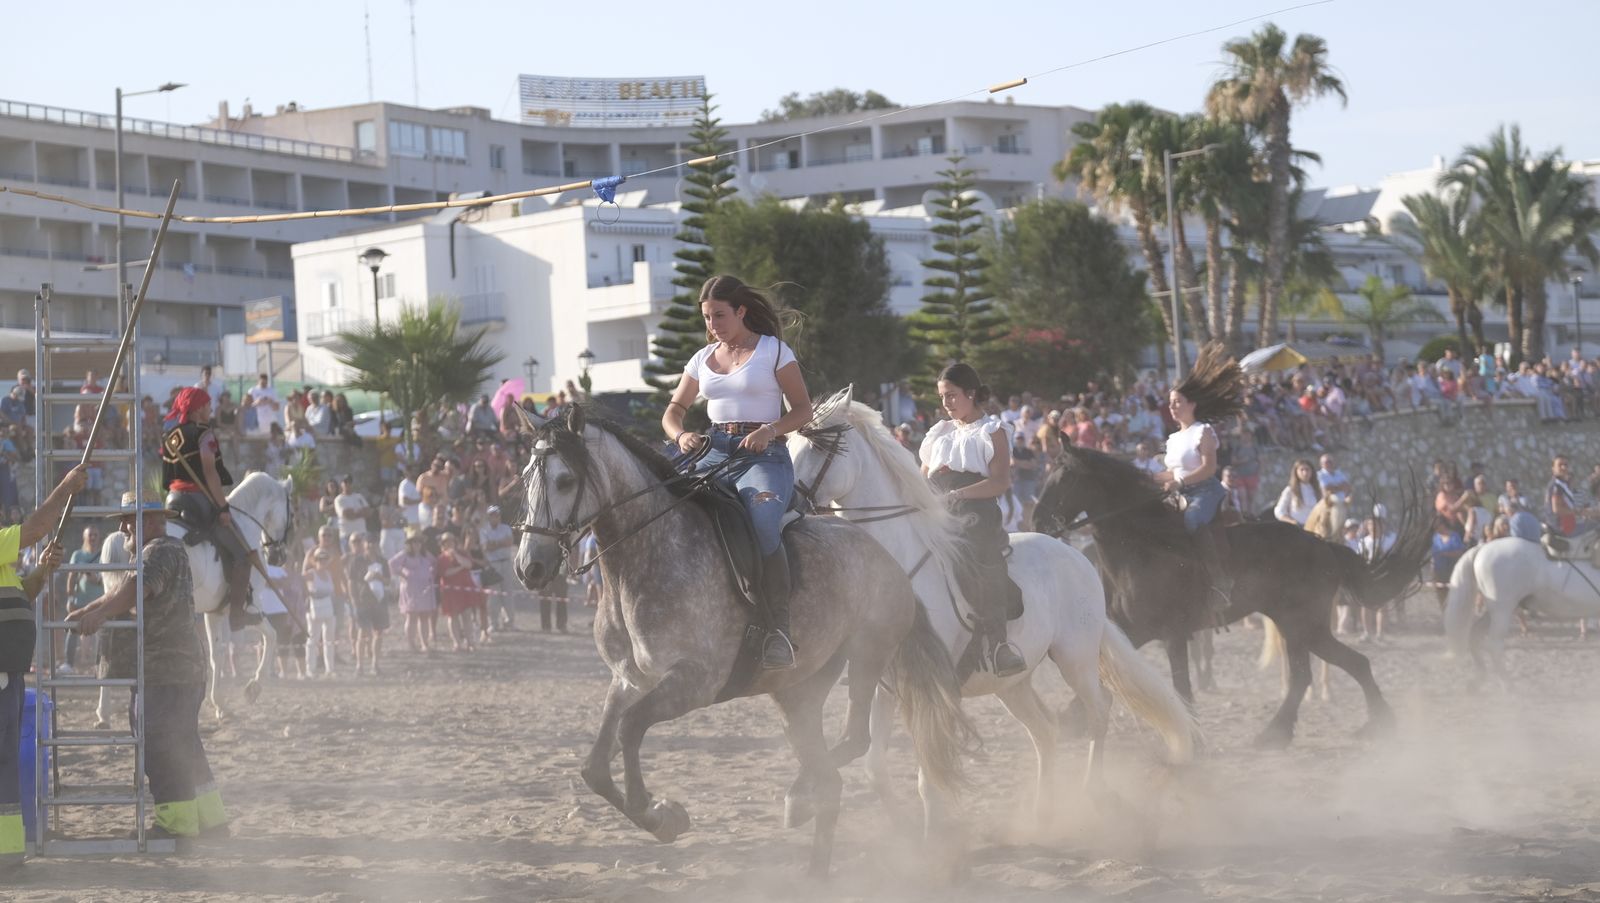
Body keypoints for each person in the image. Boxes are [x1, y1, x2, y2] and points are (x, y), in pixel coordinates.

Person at [662, 275, 814, 670]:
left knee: (763, 524)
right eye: (708, 318)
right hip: (712, 450)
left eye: (720, 315)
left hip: (763, 455)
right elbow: (673, 413)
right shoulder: (700, 359)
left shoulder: (773, 351)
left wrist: (771, 429)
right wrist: (680, 436)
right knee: (665, 511)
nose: (713, 325)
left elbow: (802, 410)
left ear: (741, 311)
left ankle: (777, 626)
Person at [68, 490, 227, 844]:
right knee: (185, 744)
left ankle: (176, 825)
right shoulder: (162, 551)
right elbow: (120, 592)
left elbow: (137, 590)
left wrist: (98, 616)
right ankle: (212, 821)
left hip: (166, 670)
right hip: (180, 668)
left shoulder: (157, 552)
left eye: (130, 520)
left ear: (154, 521)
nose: (123, 527)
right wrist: (86, 611)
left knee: (162, 745)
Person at [917, 362, 1026, 678]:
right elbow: (923, 476)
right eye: (942, 396)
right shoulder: (939, 432)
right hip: (935, 507)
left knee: (980, 556)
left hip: (974, 511)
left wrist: (959, 495)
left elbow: (1000, 482)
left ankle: (998, 643)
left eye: (952, 395)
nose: (946, 403)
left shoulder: (992, 431)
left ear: (971, 393)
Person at [0, 467, 82, 871]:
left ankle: (10, 853)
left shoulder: (3, 565)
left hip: (10, 675)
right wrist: (65, 488)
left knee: (6, 760)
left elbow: (22, 592)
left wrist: (42, 572)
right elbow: (34, 529)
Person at [1152, 343, 1248, 616]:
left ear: (1192, 404)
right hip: (1179, 493)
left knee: (1192, 521)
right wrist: (1149, 478)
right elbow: (1172, 471)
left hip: (1206, 491)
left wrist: (1180, 482)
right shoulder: (1172, 439)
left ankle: (1220, 583)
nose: (1172, 407)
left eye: (1177, 402)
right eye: (1170, 403)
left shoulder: (1202, 431)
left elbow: (1208, 467)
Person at [160, 387, 253, 628]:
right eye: (208, 404)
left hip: (172, 499)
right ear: (199, 408)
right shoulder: (204, 434)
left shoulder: (170, 435)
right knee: (243, 556)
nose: (211, 409)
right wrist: (222, 508)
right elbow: (210, 474)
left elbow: (166, 478)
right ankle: (236, 614)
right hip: (197, 500)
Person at [344, 533, 389, 676]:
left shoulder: (382, 561)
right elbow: (351, 581)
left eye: (374, 543)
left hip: (379, 601)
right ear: (364, 544)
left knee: (378, 633)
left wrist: (379, 577)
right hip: (362, 601)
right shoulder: (357, 561)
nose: (371, 545)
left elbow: (388, 581)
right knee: (362, 634)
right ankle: (360, 666)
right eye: (369, 542)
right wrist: (353, 599)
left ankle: (375, 664)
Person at [64, 524, 105, 674]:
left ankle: (98, 665)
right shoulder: (78, 555)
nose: (93, 538)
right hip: (80, 601)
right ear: (84, 537)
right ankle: (68, 664)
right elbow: (71, 576)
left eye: (95, 535)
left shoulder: (103, 555)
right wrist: (70, 597)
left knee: (100, 634)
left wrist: (90, 574)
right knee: (73, 629)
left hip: (99, 601)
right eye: (90, 535)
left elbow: (102, 580)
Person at [390, 534, 437, 653]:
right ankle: (411, 643)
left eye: (419, 542)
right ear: (410, 544)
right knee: (412, 616)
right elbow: (392, 564)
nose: (417, 545)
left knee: (424, 616)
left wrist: (432, 574)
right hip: (411, 588)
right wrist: (403, 575)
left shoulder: (426, 554)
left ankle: (424, 643)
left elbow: (435, 563)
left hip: (425, 588)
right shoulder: (405, 555)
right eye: (414, 542)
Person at [479, 505, 516, 631]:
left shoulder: (506, 528)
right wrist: (501, 543)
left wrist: (494, 544)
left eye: (497, 515)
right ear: (488, 517)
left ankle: (510, 622)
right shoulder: (484, 530)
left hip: (505, 562)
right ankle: (494, 623)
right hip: (492, 564)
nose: (495, 517)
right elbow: (485, 547)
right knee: (493, 596)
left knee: (508, 593)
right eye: (492, 515)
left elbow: (510, 542)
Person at [1275, 459, 1323, 527]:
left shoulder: (1318, 490)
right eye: (1302, 470)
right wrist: (1291, 521)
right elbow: (1279, 510)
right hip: (1297, 529)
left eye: (1307, 469)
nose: (1305, 473)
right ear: (1296, 472)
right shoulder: (1290, 490)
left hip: (1314, 528)